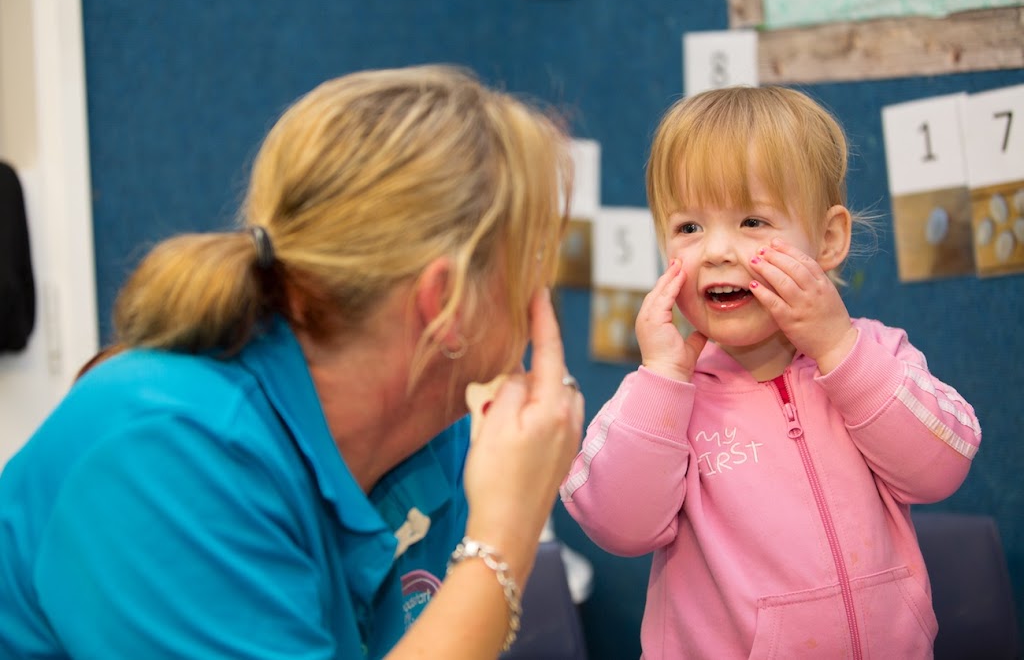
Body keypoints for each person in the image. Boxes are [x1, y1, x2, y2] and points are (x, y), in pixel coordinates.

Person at [0, 64, 584, 659]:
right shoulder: (163, 450)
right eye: (532, 258)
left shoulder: (436, 440)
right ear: (447, 304)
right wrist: (504, 537)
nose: (540, 287)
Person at [560, 86, 981, 659]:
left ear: (828, 239)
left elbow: (942, 469)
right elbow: (619, 527)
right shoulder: (662, 400)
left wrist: (838, 348)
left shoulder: (876, 355)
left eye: (752, 220)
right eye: (688, 228)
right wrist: (659, 377)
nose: (716, 251)